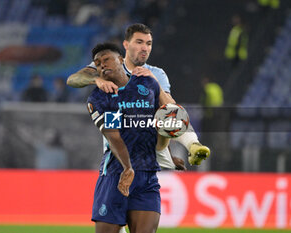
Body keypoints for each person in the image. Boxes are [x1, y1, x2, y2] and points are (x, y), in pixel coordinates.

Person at [67, 23, 210, 169]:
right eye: (139, 42)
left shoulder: (157, 73)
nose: (144, 48)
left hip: (149, 145)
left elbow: (170, 107)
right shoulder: (110, 65)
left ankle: (193, 145)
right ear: (126, 45)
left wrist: (155, 84)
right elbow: (72, 80)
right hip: (120, 149)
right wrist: (96, 79)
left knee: (170, 110)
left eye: (148, 44)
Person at [87, 42, 172, 233]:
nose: (101, 65)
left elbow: (157, 126)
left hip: (147, 176)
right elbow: (114, 137)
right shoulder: (102, 97)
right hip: (116, 174)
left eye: (106, 59)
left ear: (120, 59)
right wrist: (128, 168)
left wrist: (169, 153)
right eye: (97, 63)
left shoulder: (148, 85)